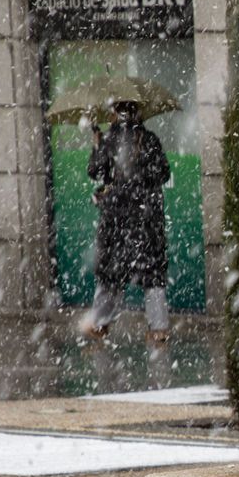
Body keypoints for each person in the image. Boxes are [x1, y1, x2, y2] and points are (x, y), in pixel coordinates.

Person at [78, 101, 172, 346]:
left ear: (114, 113)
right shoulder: (149, 139)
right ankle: (159, 328)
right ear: (137, 113)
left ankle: (100, 323)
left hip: (116, 218)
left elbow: (95, 171)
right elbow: (163, 173)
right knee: (152, 273)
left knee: (111, 273)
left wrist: (97, 145)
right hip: (146, 218)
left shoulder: (108, 139)